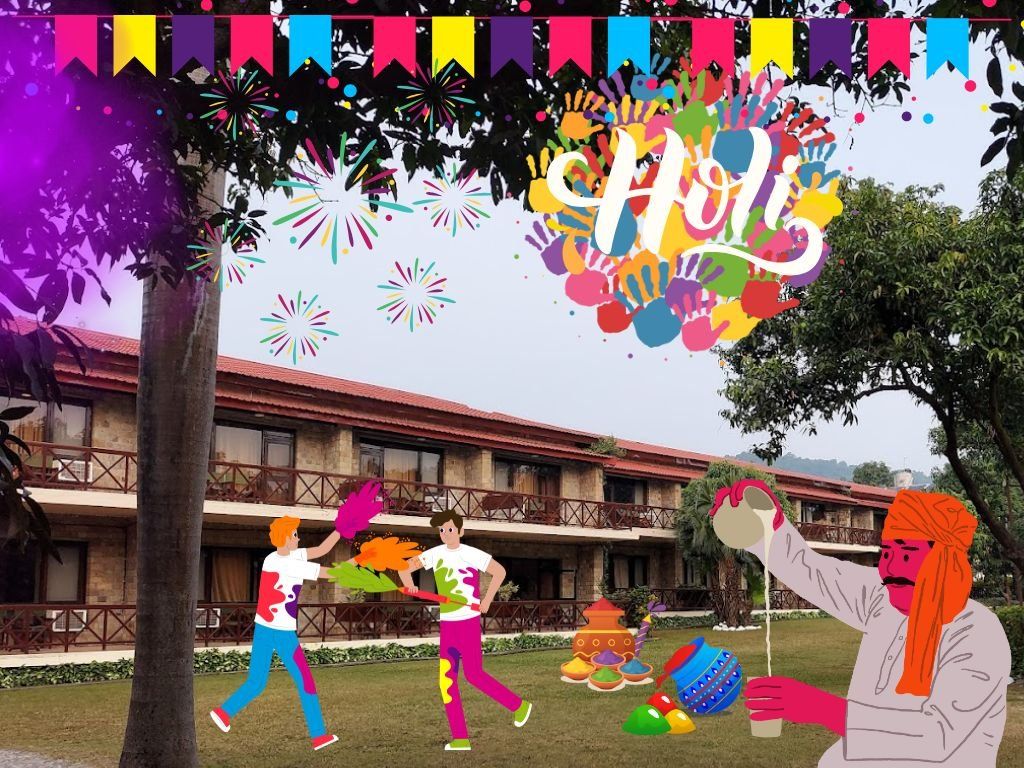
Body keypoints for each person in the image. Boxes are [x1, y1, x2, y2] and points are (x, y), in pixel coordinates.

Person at [712, 481, 1011, 766]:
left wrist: (820, 707)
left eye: (907, 554)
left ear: (944, 561)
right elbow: (812, 572)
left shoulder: (976, 633)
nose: (890, 568)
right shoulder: (882, 598)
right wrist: (769, 525)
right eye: (887, 553)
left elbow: (937, 737)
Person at [398, 509, 533, 752]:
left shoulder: (471, 554)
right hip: (448, 625)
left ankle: (519, 706)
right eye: (441, 530)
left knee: (474, 675)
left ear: (460, 531)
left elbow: (499, 571)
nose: (445, 533)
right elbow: (404, 568)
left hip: (468, 623)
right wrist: (411, 587)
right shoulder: (435, 554)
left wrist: (487, 601)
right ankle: (460, 738)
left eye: (450, 529)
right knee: (446, 682)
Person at [210, 515, 345, 752]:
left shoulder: (277, 557)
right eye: (295, 535)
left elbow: (322, 550)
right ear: (285, 538)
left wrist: (341, 529)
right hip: (281, 632)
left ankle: (223, 712)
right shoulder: (287, 564)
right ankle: (318, 736)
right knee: (305, 682)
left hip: (264, 627)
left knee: (256, 682)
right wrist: (361, 563)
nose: (298, 538)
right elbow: (330, 573)